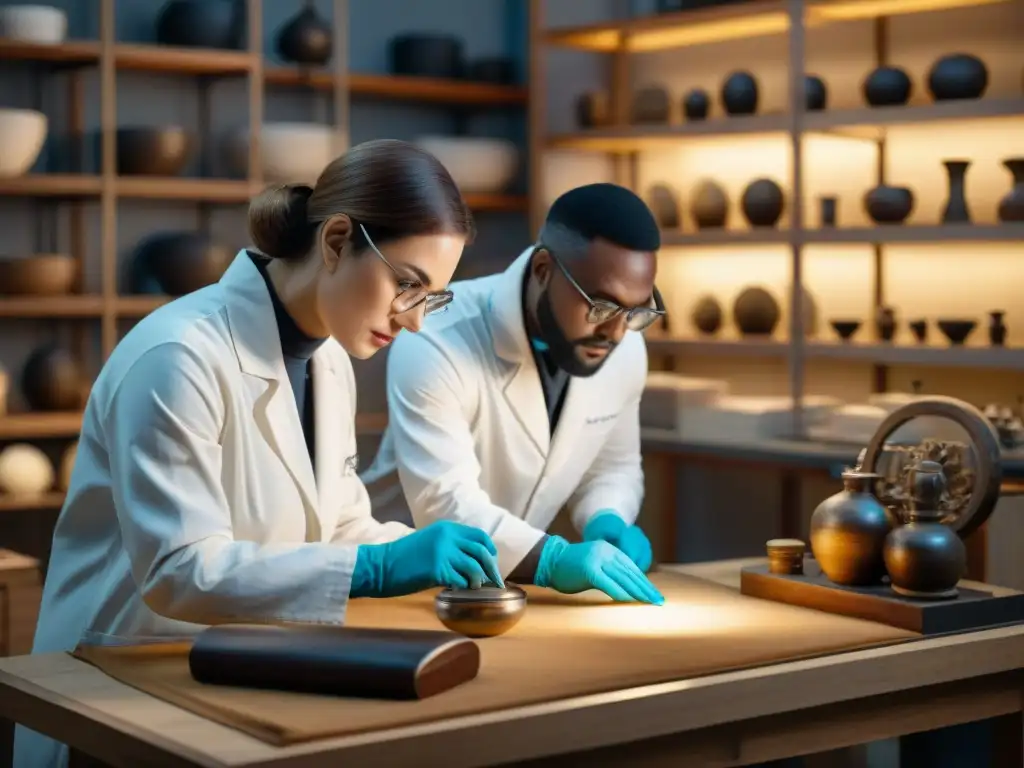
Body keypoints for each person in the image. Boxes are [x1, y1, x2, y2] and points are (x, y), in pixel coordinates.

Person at [14, 139, 503, 768]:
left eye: (430, 297)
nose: (413, 322)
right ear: (335, 241)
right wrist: (378, 570)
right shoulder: (178, 356)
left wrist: (423, 549)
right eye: (407, 285)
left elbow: (337, 524)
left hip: (237, 675)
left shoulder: (328, 357)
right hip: (120, 683)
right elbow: (179, 569)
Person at [362, 183, 666, 605]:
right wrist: (553, 558)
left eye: (635, 311)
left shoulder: (625, 344)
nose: (615, 332)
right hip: (400, 587)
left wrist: (607, 519)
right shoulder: (437, 337)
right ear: (543, 269)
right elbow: (446, 503)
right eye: (600, 306)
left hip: (504, 590)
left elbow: (611, 468)